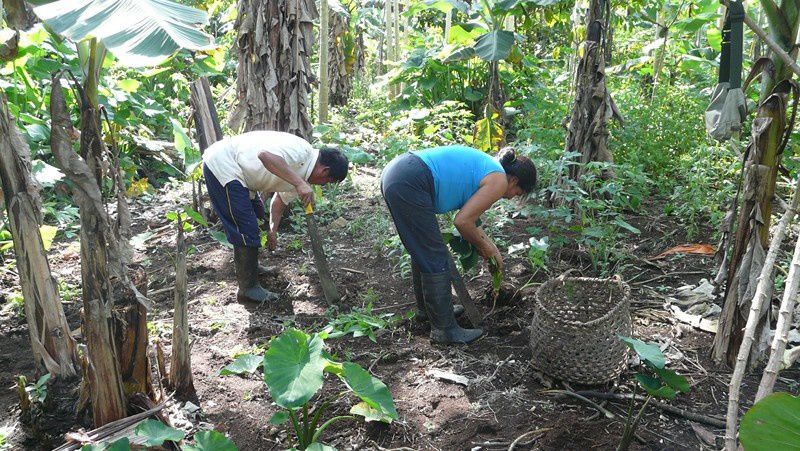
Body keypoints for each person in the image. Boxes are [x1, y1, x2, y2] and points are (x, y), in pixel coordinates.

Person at [381, 145, 536, 344]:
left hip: (399, 173)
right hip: (411, 179)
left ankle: (428, 312)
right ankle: (444, 330)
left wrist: (492, 250)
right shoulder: (498, 180)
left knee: (423, 249)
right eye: (517, 191)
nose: (512, 196)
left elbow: (472, 221)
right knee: (435, 255)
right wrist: (487, 250)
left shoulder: (488, 168)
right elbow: (463, 222)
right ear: (513, 180)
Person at [203, 131, 349, 303]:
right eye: (327, 182)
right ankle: (248, 288)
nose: (322, 185)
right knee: (245, 226)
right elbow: (264, 155)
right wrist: (299, 183)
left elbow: (279, 201)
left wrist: (273, 229)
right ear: (325, 171)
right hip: (224, 165)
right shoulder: (301, 150)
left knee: (257, 216)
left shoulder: (302, 179)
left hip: (243, 179)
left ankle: (252, 268)